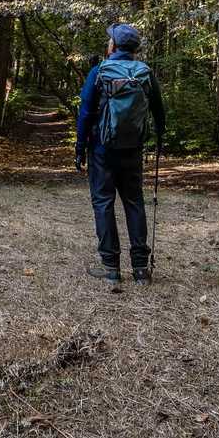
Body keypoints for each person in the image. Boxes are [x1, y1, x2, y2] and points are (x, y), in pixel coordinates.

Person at [75, 22, 165, 284]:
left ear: (113, 45)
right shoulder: (145, 73)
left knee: (103, 203)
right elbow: (159, 110)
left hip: (101, 149)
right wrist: (159, 138)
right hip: (133, 148)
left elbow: (85, 112)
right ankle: (140, 269)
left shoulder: (99, 71)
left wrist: (80, 147)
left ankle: (111, 267)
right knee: (134, 202)